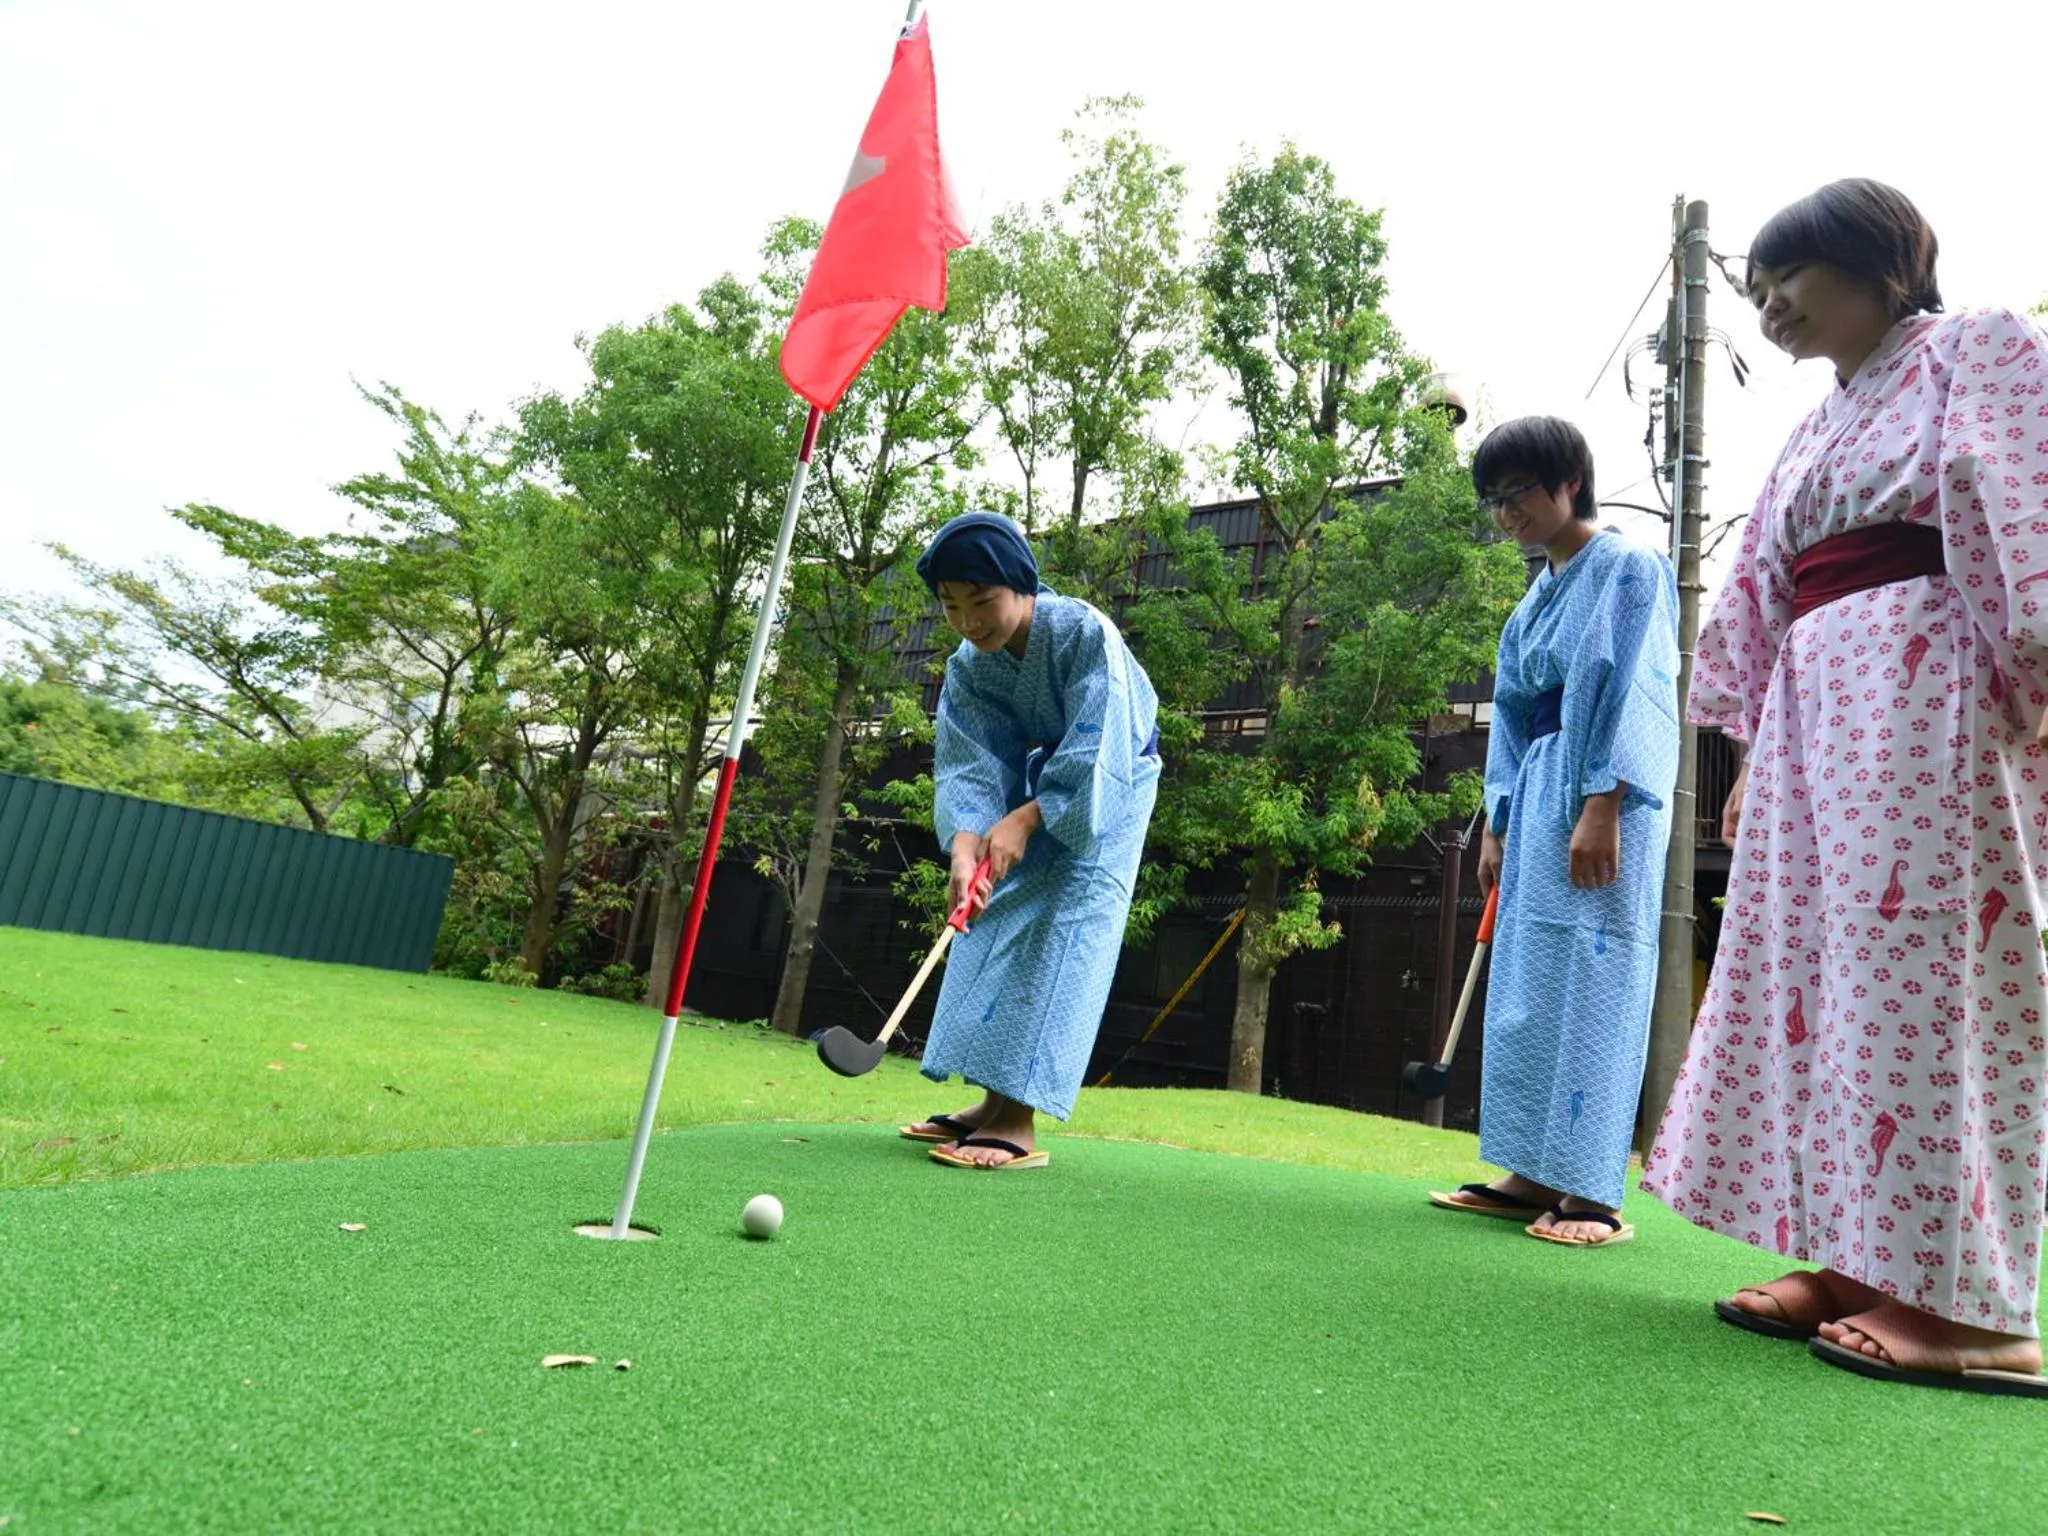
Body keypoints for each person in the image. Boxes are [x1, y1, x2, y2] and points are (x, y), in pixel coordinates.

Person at [1641, 178, 2048, 1395]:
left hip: (1927, 700)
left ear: (1878, 262)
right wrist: (1758, 757)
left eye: (1784, 278)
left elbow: (2022, 522)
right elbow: (1770, 586)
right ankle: (1858, 1259)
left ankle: (1972, 1308)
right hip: (1824, 714)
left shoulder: (1977, 349)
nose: (1764, 304)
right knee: (1823, 976)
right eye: (1753, 289)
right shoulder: (1819, 421)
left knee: (1926, 973)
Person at [1427, 416, 1680, 1246]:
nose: (1507, 515)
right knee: (1530, 976)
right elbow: (1507, 717)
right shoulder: (1529, 604)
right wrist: (1497, 822)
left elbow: (1640, 688)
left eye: (1519, 493)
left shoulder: (1631, 567)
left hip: (1603, 790)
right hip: (1536, 794)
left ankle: (1593, 1189)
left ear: (1570, 480)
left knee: (1598, 976)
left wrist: (1605, 800)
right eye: (1493, 502)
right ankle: (1530, 1167)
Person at [896, 511, 1161, 1170]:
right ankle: (989, 1101)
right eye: (951, 607)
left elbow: (1101, 742)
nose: (968, 622)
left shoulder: (1081, 632)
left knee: (1063, 931)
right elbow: (970, 761)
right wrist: (966, 841)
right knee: (991, 910)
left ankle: (1018, 1118)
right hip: (1039, 784)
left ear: (1022, 586)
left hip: (1110, 784)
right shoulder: (970, 666)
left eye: (981, 602)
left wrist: (1027, 817)